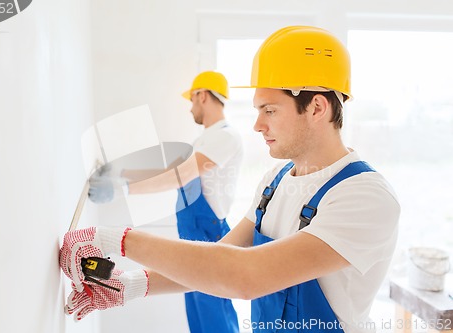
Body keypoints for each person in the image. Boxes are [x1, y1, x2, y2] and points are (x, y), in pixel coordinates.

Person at [60, 26, 400, 333]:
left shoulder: (364, 195)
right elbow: (219, 258)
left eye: (269, 110)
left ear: (316, 108)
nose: (257, 125)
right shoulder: (275, 181)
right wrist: (129, 287)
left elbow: (247, 276)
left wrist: (116, 239)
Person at [87, 71, 243, 333]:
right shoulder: (203, 139)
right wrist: (120, 172)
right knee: (199, 319)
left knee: (215, 317)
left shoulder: (226, 136)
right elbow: (168, 169)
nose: (191, 108)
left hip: (210, 235)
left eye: (192, 100)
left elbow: (182, 174)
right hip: (193, 236)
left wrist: (123, 189)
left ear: (202, 95)